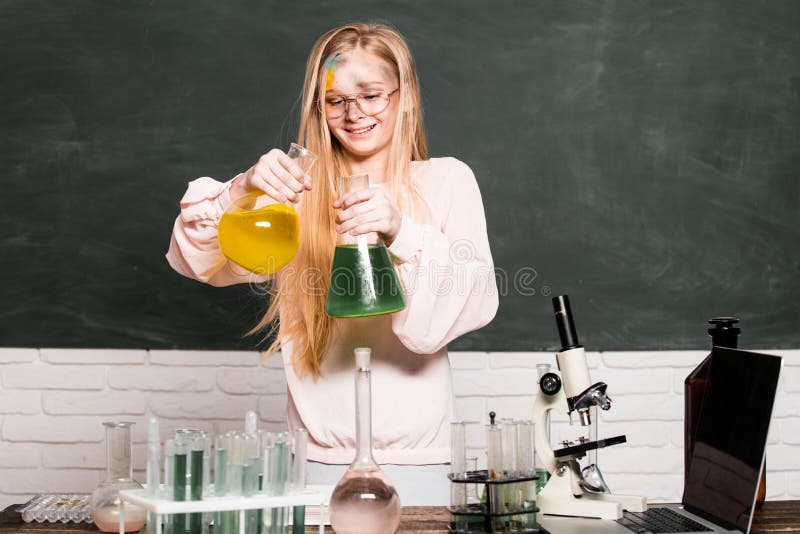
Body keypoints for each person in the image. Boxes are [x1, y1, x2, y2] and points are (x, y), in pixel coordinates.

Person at [166, 22, 498, 505]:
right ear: (318, 107)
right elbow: (196, 260)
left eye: (371, 95)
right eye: (337, 99)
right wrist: (241, 191)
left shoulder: (447, 181)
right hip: (315, 463)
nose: (355, 113)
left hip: (422, 464)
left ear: (403, 96)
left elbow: (472, 297)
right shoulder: (295, 192)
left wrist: (400, 229)